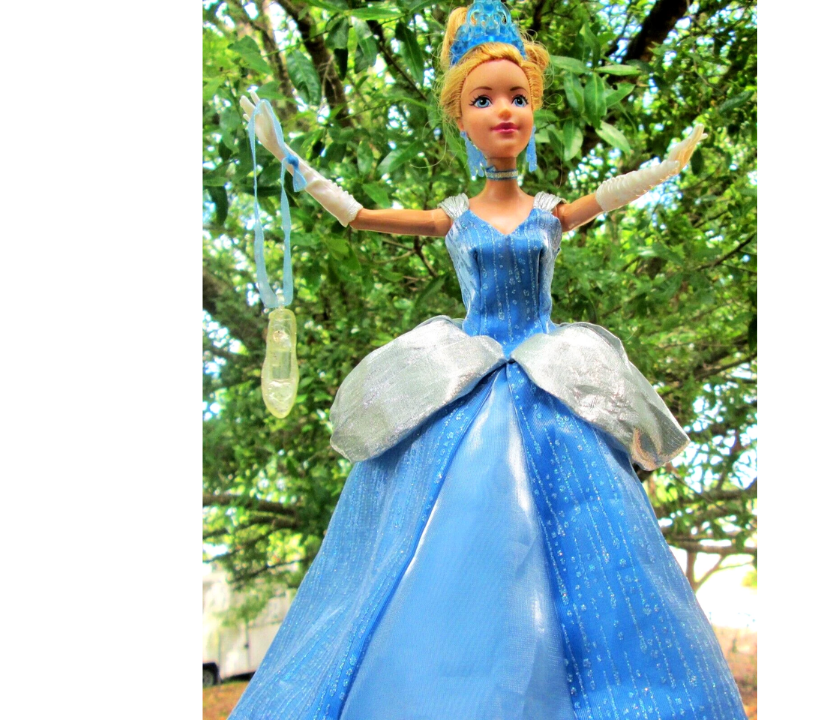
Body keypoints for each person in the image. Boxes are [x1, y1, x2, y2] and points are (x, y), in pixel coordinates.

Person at [230, 2, 745, 718]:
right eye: (483, 100)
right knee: (433, 533)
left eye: (517, 97)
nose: (504, 111)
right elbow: (358, 216)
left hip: (547, 375)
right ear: (460, 118)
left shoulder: (549, 212)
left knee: (595, 541)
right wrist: (287, 157)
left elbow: (611, 195)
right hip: (467, 376)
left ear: (532, 110)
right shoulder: (456, 217)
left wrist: (668, 166)